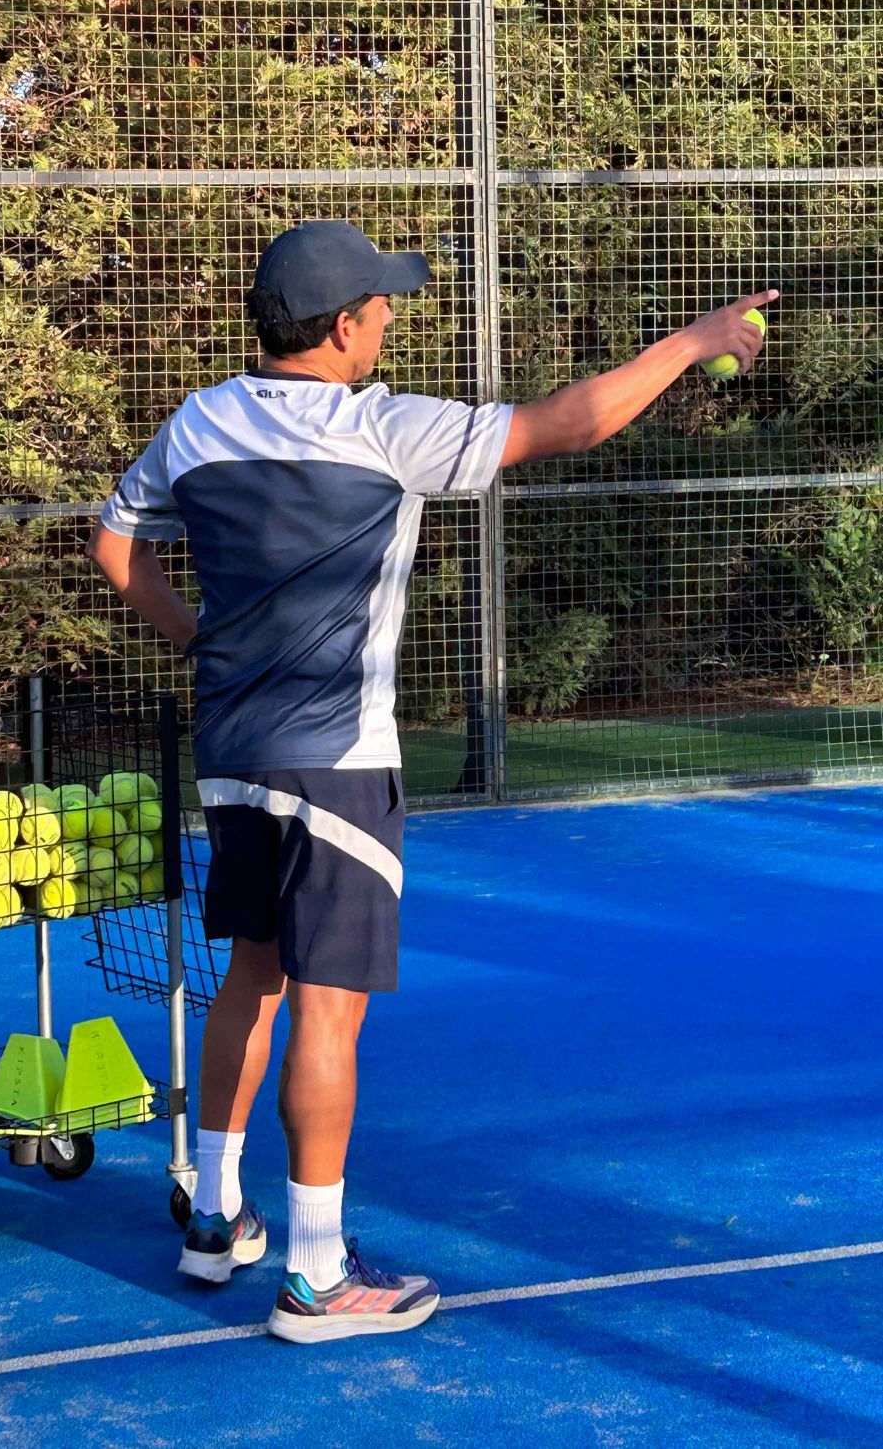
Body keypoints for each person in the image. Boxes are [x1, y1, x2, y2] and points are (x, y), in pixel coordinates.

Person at [87, 220, 772, 1344]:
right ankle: (314, 1277)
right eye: (383, 304)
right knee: (324, 1007)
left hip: (232, 754)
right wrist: (691, 343)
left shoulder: (198, 421)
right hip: (337, 762)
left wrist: (198, 640)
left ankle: (212, 1216)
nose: (394, 316)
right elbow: (573, 421)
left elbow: (116, 547)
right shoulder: (383, 430)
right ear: (344, 325)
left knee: (250, 975)